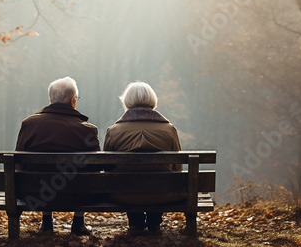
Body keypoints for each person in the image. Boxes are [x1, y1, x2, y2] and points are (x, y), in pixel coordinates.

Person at [15, 76, 100, 236]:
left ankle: (46, 223)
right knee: (86, 177)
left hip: (34, 194)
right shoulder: (87, 130)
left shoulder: (29, 124)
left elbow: (19, 161)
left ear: (50, 99)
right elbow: (94, 168)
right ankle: (78, 223)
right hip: (76, 196)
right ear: (73, 101)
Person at [103, 81, 183, 234]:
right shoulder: (169, 130)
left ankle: (135, 221)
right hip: (163, 195)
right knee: (162, 178)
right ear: (152, 101)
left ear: (127, 101)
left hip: (123, 195)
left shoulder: (113, 131)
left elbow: (108, 169)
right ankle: (154, 221)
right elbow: (177, 167)